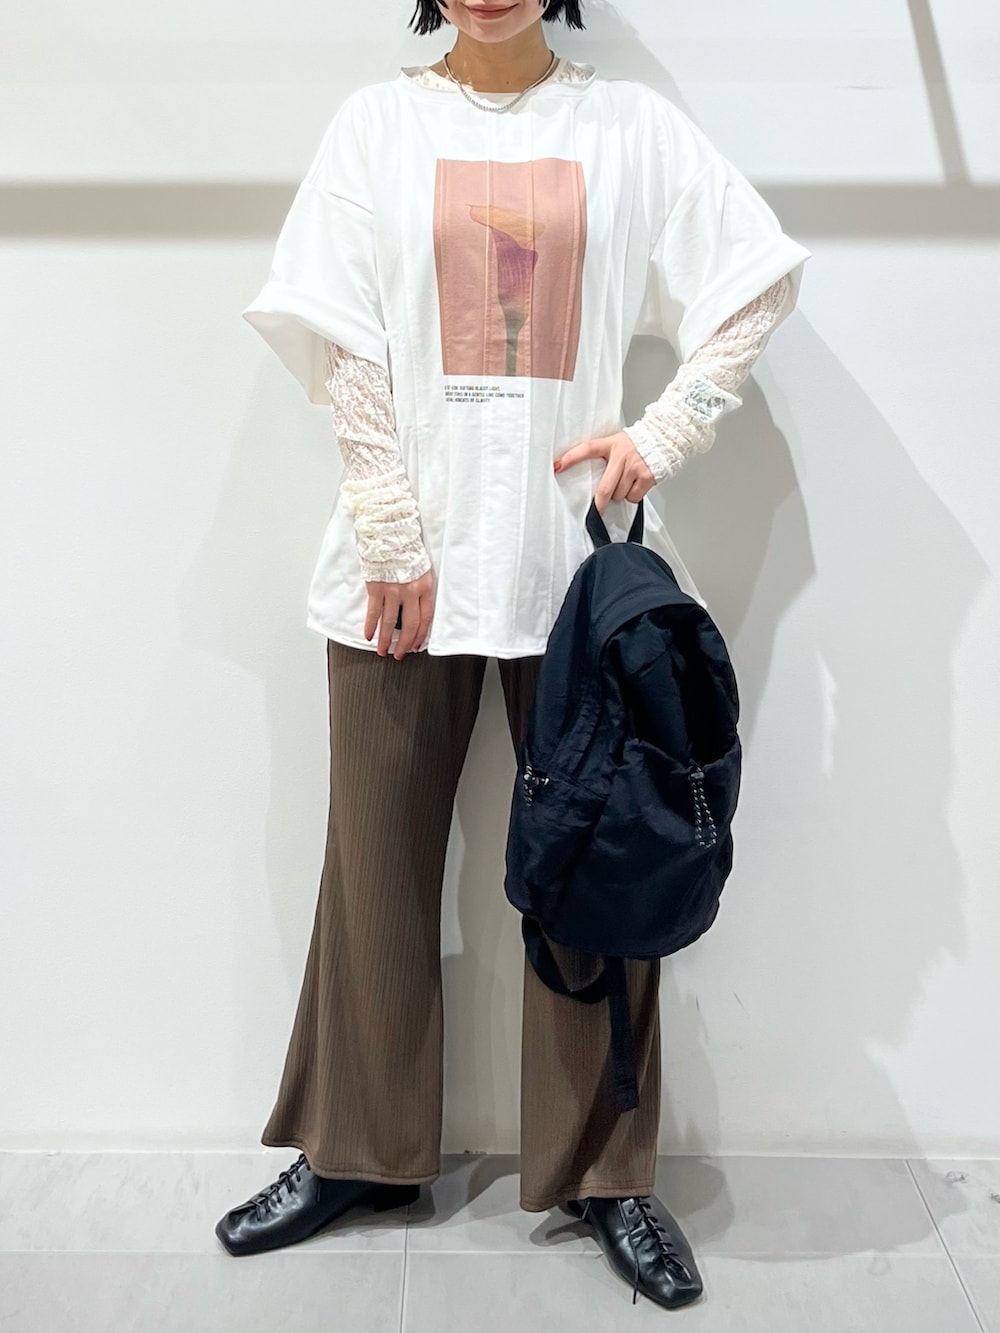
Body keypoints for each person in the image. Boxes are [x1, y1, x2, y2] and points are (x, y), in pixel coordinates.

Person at [217, 0, 810, 1312]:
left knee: (606, 870)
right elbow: (347, 337)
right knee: (373, 869)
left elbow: (756, 281)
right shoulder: (377, 127)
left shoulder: (630, 128)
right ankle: (361, 1152)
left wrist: (661, 432)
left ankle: (608, 1172)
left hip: (575, 577)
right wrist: (389, 525)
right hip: (404, 576)